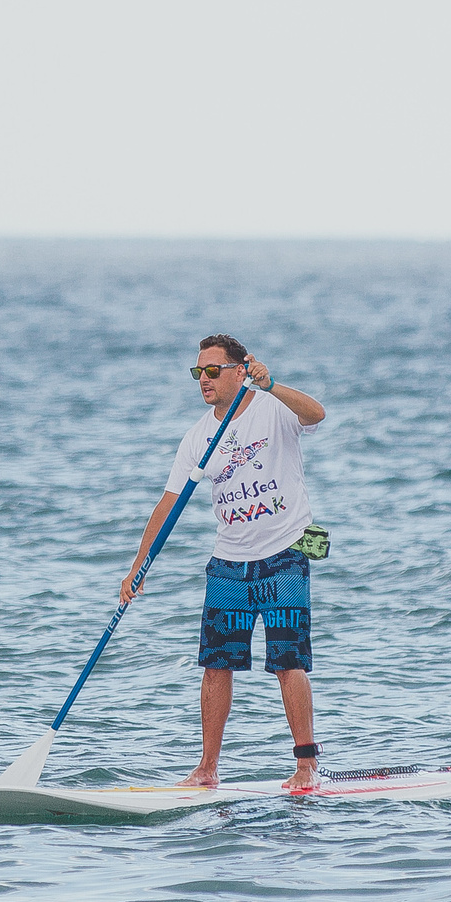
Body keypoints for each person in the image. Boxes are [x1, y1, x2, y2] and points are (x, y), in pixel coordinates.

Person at [119, 336, 327, 792]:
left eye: (213, 371)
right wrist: (139, 564)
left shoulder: (272, 408)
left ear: (239, 370)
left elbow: (317, 414)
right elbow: (168, 503)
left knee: (287, 660)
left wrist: (272, 384)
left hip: (287, 552)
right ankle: (207, 768)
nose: (204, 381)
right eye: (199, 373)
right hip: (229, 562)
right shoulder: (198, 437)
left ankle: (307, 765)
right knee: (216, 665)